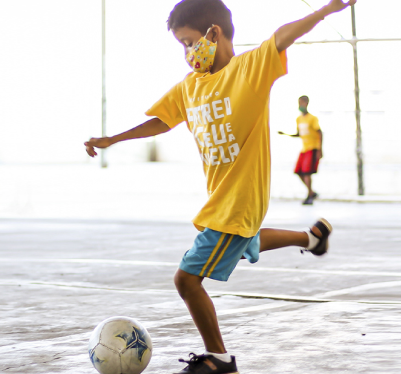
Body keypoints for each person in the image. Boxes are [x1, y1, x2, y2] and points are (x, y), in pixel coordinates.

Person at [84, 0, 355, 372]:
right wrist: (113, 139)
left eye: (189, 41)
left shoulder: (249, 69)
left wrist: (329, 8)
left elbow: (283, 36)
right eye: (180, 45)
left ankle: (219, 359)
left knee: (187, 280)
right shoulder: (191, 86)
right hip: (224, 200)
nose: (186, 52)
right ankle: (312, 239)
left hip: (239, 200)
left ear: (215, 32)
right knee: (248, 240)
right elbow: (162, 121)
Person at [279, 96, 323, 205]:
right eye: (299, 103)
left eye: (302, 103)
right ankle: (311, 192)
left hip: (312, 147)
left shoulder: (312, 118)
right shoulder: (298, 119)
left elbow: (319, 132)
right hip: (304, 148)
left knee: (307, 172)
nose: (300, 105)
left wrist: (319, 149)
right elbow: (299, 134)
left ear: (307, 103)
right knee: (299, 171)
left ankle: (309, 196)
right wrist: (286, 134)